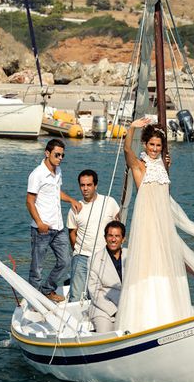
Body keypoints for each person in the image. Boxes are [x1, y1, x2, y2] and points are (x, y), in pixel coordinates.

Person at [115, 118, 193, 333]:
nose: (155, 149)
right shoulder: (139, 165)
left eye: (158, 145)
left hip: (164, 220)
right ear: (145, 144)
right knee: (148, 261)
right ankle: (145, 317)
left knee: (166, 260)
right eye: (152, 145)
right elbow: (126, 147)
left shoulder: (163, 164)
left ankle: (169, 311)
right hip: (147, 219)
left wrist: (167, 163)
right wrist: (132, 127)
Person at [26, 138, 81, 303]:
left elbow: (56, 192)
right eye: (57, 155)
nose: (60, 158)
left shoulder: (58, 171)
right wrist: (40, 223)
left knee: (65, 261)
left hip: (58, 228)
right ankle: (34, 300)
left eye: (63, 155)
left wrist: (71, 200)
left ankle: (47, 290)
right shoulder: (37, 174)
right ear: (47, 153)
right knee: (37, 268)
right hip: (41, 229)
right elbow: (29, 201)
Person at [66, 169, 120, 302]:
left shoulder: (109, 202)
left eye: (88, 185)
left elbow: (118, 227)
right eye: (82, 185)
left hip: (103, 257)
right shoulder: (75, 208)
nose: (85, 188)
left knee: (100, 296)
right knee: (76, 297)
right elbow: (72, 233)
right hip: (81, 257)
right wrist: (78, 251)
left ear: (95, 185)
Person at [88, 220, 127, 333]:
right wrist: (115, 311)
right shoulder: (94, 259)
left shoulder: (131, 255)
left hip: (129, 306)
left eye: (117, 236)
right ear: (105, 238)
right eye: (110, 236)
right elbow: (95, 292)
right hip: (103, 310)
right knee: (105, 334)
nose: (113, 239)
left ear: (123, 239)